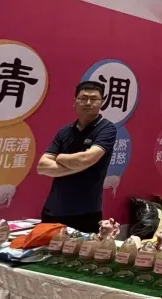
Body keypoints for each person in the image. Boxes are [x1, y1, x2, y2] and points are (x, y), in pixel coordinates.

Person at [35, 81, 117, 232]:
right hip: (52, 210)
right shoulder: (64, 131)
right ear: (74, 101)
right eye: (83, 98)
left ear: (101, 102)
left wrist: (59, 157)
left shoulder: (106, 128)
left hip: (85, 212)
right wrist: (82, 166)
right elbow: (42, 167)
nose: (88, 103)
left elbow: (86, 159)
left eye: (94, 99)